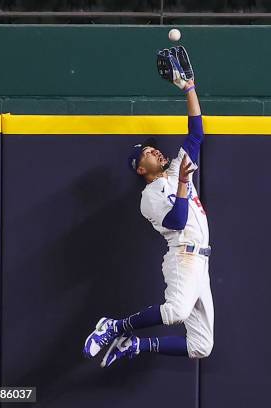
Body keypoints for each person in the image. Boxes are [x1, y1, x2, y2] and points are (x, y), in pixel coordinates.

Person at [83, 46, 214, 367]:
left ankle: (133, 346)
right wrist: (184, 182)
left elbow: (196, 133)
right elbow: (179, 220)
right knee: (175, 313)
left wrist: (190, 89)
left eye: (154, 149)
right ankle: (114, 326)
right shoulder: (150, 197)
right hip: (183, 255)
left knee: (201, 346)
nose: (154, 151)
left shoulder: (175, 169)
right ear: (140, 169)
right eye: (147, 153)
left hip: (202, 261)